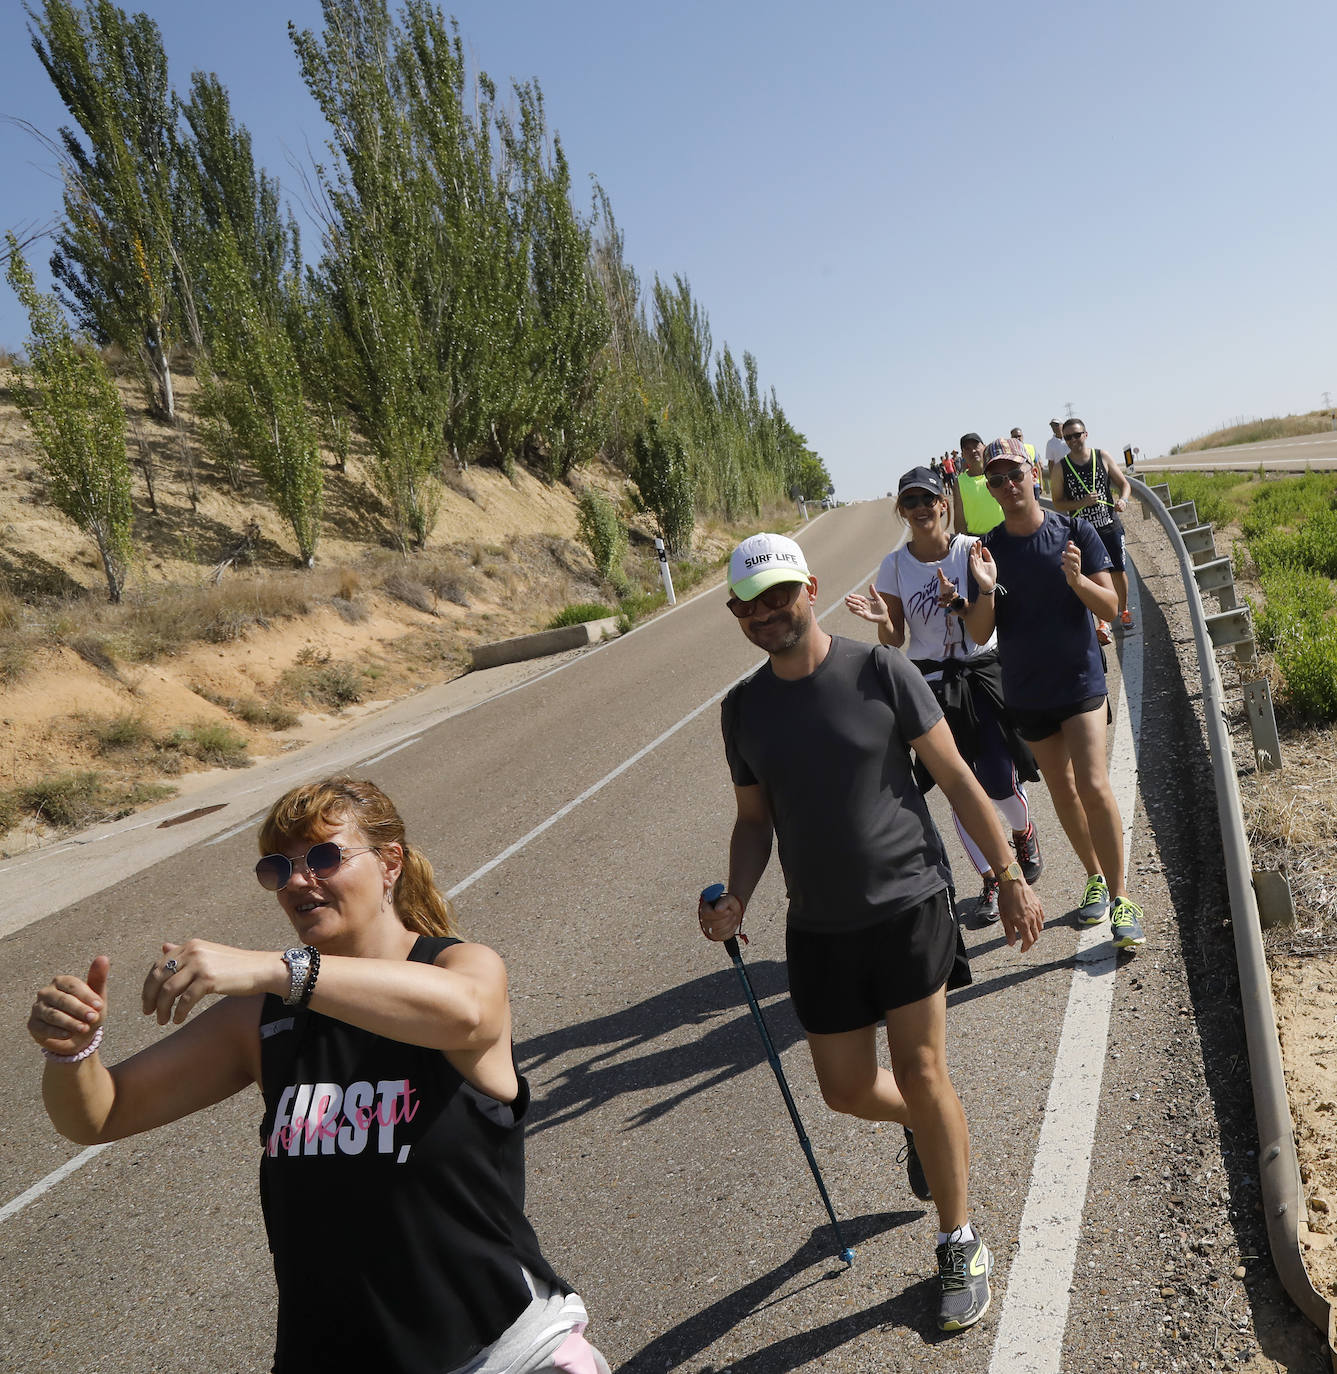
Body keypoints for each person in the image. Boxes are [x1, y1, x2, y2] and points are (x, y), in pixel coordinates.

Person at [27, 776, 609, 1374]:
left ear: (390, 863)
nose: (299, 880)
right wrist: (72, 1052)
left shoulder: (456, 966)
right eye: (280, 868)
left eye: (325, 857)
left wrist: (281, 969)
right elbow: (101, 1113)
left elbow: (468, 1012)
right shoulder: (262, 1017)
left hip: (500, 1352)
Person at [699, 532, 1045, 1334]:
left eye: (778, 595)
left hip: (908, 903)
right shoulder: (742, 708)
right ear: (733, 613)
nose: (765, 614)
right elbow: (754, 822)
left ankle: (959, 1240)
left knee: (923, 1070)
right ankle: (927, 1133)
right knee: (845, 1090)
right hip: (816, 924)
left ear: (810, 588)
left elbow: (956, 777)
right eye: (748, 604)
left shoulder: (878, 670)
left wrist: (1008, 876)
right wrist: (738, 899)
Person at [962, 441, 1147, 951]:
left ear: (1034, 473)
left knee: (1092, 782)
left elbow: (1110, 606)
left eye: (1014, 474)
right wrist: (981, 588)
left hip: (1080, 680)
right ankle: (1092, 874)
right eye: (996, 479)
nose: (1007, 485)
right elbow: (980, 633)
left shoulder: (1074, 530)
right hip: (1026, 688)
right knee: (1062, 790)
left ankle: (1121, 897)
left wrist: (1076, 580)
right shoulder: (987, 549)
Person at [845, 464, 1043, 922]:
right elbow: (895, 641)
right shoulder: (895, 565)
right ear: (902, 510)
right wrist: (882, 621)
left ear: (943, 503)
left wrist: (959, 601)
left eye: (926, 499)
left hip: (980, 672)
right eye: (908, 502)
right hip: (931, 682)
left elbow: (982, 627)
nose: (918, 509)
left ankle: (1022, 830)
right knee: (960, 785)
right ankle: (994, 878)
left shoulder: (970, 550)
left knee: (997, 777)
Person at [1048, 417, 1134, 636]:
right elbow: (1057, 502)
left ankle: (1123, 611)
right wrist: (1081, 503)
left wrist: (1123, 500)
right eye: (1068, 437)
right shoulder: (1060, 468)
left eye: (1077, 435)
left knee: (1118, 571)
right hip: (1083, 531)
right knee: (1093, 575)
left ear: (1085, 434)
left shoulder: (1101, 456)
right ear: (1064, 440)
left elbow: (1124, 484)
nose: (1073, 440)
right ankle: (1103, 621)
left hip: (1109, 525)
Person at [951, 432, 1004, 536]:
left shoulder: (997, 473)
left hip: (1004, 534)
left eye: (976, 446)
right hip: (976, 540)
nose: (973, 451)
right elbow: (959, 518)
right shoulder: (959, 482)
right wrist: (961, 545)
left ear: (984, 447)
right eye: (967, 449)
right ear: (963, 455)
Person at [1010, 427, 1042, 497]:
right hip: (1021, 485)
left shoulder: (1031, 448)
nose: (1018, 438)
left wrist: (1041, 484)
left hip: (1034, 484)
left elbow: (1038, 467)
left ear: (1023, 436)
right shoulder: (1009, 452)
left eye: (1019, 436)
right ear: (1011, 438)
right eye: (1015, 437)